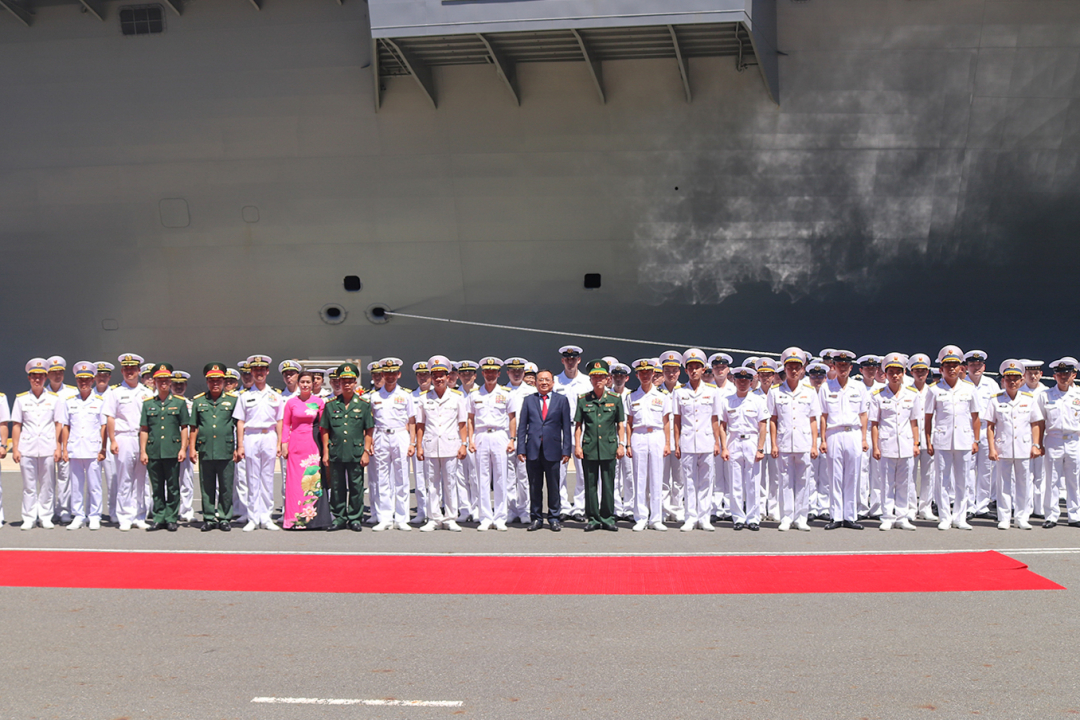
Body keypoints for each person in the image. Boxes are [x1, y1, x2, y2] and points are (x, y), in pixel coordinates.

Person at [925, 345, 981, 531]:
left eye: (955, 365)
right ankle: (944, 517)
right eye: (947, 365)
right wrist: (928, 440)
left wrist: (976, 440)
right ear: (941, 369)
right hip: (942, 439)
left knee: (963, 479)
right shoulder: (933, 390)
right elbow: (928, 417)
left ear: (961, 368)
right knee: (942, 479)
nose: (951, 369)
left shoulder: (969, 388)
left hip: (964, 440)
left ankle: (960, 517)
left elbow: (975, 416)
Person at [768, 347, 821, 532]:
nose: (793, 370)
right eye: (790, 367)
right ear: (785, 368)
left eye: (797, 367)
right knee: (784, 481)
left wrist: (815, 445)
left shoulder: (810, 391)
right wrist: (773, 444)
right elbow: (773, 420)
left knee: (804, 481)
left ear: (802, 369)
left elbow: (813, 420)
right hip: (784, 443)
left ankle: (801, 517)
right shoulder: (775, 392)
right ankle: (786, 517)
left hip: (804, 443)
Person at [986, 360, 1043, 530]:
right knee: (1003, 483)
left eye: (1016, 378)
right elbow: (990, 426)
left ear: (1022, 380)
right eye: (1008, 378)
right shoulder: (995, 400)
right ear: (1003, 380)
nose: (1012, 381)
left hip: (1024, 447)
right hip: (1003, 447)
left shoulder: (1029, 399)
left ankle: (1021, 517)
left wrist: (1036, 445)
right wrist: (991, 448)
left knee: (1024, 483)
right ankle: (1004, 517)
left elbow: (1035, 424)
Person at [818, 350, 869, 530]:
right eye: (839, 365)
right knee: (834, 475)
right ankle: (836, 516)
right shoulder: (826, 387)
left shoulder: (859, 387)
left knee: (852, 475)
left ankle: (850, 515)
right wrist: (823, 440)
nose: (842, 369)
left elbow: (863, 414)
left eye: (846, 366)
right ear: (834, 366)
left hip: (853, 432)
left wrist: (863, 438)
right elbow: (823, 415)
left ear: (851, 367)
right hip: (834, 433)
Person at [868, 353, 920, 531]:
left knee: (905, 482)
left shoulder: (912, 394)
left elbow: (914, 422)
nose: (895, 375)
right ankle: (887, 516)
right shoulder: (878, 395)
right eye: (891, 372)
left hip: (905, 444)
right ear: (886, 373)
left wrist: (916, 444)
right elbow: (874, 423)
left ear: (903, 373)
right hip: (886, 444)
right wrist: (875, 446)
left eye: (898, 372)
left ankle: (902, 516)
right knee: (886, 482)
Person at [320, 363, 374, 531]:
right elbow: (325, 430)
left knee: (356, 486)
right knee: (337, 486)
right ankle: (339, 517)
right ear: (339, 383)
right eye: (343, 381)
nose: (347, 384)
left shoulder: (364, 405)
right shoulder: (331, 405)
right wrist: (326, 452)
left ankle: (355, 518)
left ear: (355, 382)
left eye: (350, 381)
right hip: (336, 451)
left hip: (356, 452)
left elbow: (369, 429)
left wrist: (366, 451)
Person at [103, 353, 154, 531]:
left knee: (142, 478)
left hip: (142, 437)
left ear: (139, 371)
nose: (129, 372)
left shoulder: (147, 393)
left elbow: (151, 419)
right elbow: (110, 417)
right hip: (123, 437)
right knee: (124, 478)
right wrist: (112, 440)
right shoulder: (115, 392)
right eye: (126, 369)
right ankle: (124, 516)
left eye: (132, 369)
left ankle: (140, 515)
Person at [232, 354, 284, 532]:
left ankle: (266, 517)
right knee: (252, 478)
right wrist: (240, 445)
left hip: (269, 436)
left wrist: (279, 443)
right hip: (251, 436)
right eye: (256, 370)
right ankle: (253, 517)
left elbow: (279, 421)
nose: (259, 373)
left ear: (267, 371)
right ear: (252, 372)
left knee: (268, 478)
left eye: (262, 370)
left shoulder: (275, 395)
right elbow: (240, 421)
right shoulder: (245, 395)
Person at [415, 355, 466, 532]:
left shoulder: (457, 397)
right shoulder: (423, 398)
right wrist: (418, 446)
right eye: (435, 376)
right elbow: (420, 425)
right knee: (432, 483)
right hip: (430, 445)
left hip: (451, 445)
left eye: (442, 375)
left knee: (450, 482)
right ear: (431, 377)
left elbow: (462, 423)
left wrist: (463, 444)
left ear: (448, 377)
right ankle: (434, 518)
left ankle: (451, 517)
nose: (438, 379)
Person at [517, 368, 572, 531]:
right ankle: (536, 518)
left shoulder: (561, 400)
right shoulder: (528, 400)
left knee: (554, 486)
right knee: (534, 486)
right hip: (533, 448)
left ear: (553, 383)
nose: (544, 383)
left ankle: (554, 517)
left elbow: (566, 427)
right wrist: (521, 448)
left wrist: (566, 450)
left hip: (553, 449)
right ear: (535, 383)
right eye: (540, 380)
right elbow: (522, 426)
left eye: (547, 380)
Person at [11, 358, 64, 530]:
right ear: (29, 378)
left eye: (41, 376)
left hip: (48, 447)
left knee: (47, 484)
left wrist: (58, 447)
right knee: (29, 485)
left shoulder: (55, 399)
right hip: (27, 448)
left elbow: (58, 424)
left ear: (46, 377)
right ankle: (29, 517)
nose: (37, 380)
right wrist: (16, 449)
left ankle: (46, 516)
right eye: (34, 376)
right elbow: (17, 425)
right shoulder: (20, 400)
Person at [574, 359, 626, 531]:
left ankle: (608, 518)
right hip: (589, 447)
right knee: (590, 484)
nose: (598, 380)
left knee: (609, 484)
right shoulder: (583, 400)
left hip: (609, 447)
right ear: (590, 379)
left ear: (607, 379)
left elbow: (620, 425)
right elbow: (579, 426)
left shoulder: (615, 399)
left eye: (601, 377)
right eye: (594, 377)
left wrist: (621, 445)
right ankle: (593, 518)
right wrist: (577, 446)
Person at [467, 357, 517, 531]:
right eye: (487, 371)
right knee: (482, 477)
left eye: (493, 371)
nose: (490, 374)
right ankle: (485, 517)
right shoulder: (474, 395)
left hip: (499, 435)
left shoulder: (505, 393)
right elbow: (470, 419)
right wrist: (470, 440)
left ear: (499, 373)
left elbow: (512, 418)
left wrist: (512, 439)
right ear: (482, 373)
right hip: (481, 435)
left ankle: (501, 516)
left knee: (501, 476)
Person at [139, 363, 190, 532]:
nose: (163, 383)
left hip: (172, 450)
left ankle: (171, 517)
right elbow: (144, 429)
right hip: (154, 451)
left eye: (166, 380)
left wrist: (183, 448)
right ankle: (159, 517)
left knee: (173, 486)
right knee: (157, 486)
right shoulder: (148, 404)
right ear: (154, 382)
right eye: (159, 380)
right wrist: (143, 451)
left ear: (170, 382)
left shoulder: (179, 403)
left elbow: (184, 427)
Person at [188, 363, 238, 531]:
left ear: (224, 381)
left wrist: (239, 447)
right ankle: (209, 518)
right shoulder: (199, 401)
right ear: (207, 381)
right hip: (205, 449)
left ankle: (224, 517)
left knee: (226, 486)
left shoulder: (232, 400)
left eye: (218, 380)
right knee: (207, 486)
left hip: (226, 449)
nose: (215, 383)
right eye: (211, 380)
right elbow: (193, 427)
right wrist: (191, 448)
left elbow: (238, 426)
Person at [368, 357, 415, 531]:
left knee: (402, 476)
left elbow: (411, 420)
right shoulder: (374, 396)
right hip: (381, 435)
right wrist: (370, 441)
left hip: (400, 435)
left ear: (399, 374)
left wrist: (412, 443)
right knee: (382, 477)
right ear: (382, 375)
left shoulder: (405, 395)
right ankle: (385, 517)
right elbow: (370, 421)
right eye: (387, 373)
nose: (390, 376)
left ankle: (402, 518)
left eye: (393, 373)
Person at [59, 362, 107, 530]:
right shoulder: (69, 402)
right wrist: (65, 449)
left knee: (95, 485)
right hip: (75, 448)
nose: (84, 383)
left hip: (93, 449)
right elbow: (66, 426)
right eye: (80, 380)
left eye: (87, 379)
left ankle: (94, 516)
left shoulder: (100, 401)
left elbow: (103, 427)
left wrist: (102, 449)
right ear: (77, 381)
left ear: (93, 380)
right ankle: (78, 515)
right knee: (76, 485)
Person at [625, 358, 670, 531]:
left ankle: (656, 518)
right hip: (639, 436)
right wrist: (628, 444)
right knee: (639, 477)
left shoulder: (661, 396)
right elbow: (628, 422)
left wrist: (667, 443)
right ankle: (641, 517)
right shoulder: (632, 396)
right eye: (642, 373)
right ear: (637, 375)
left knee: (657, 478)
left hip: (657, 435)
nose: (645, 375)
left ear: (653, 374)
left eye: (648, 372)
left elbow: (666, 422)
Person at [282, 370, 330, 529]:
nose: (305, 385)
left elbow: (324, 427)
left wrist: (325, 448)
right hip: (295, 444)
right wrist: (284, 443)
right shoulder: (291, 402)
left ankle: (313, 520)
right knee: (294, 483)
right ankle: (294, 520)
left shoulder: (319, 402)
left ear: (313, 384)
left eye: (308, 382)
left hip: (312, 444)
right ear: (298, 383)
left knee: (312, 481)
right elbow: (286, 424)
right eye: (302, 382)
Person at [721, 365, 767, 530]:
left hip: (752, 441)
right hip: (733, 441)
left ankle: (753, 518)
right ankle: (738, 517)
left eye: (746, 380)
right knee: (735, 482)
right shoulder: (727, 400)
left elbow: (763, 426)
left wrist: (760, 448)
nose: (742, 383)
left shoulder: (758, 400)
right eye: (739, 380)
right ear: (734, 380)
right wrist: (724, 447)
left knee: (753, 482)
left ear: (751, 381)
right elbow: (722, 425)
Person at [1038, 357, 1080, 529]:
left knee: (1075, 480)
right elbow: (1040, 422)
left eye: (1067, 373)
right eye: (1059, 373)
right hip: (1053, 439)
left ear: (1074, 375)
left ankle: (1075, 515)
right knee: (1052, 479)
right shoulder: (1046, 395)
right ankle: (1051, 515)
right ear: (1054, 376)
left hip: (1074, 440)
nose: (1063, 376)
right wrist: (1038, 444)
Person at [555, 345, 591, 520]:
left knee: (582, 471)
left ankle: (579, 507)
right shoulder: (555, 382)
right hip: (560, 429)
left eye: (573, 359)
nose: (570, 362)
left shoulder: (587, 382)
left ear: (579, 360)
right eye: (567, 359)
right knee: (560, 471)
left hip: (581, 428)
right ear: (562, 360)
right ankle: (563, 506)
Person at [46, 356, 78, 524]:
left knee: (65, 476)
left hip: (67, 440)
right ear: (48, 374)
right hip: (47, 441)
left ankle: (65, 509)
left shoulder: (72, 392)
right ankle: (49, 510)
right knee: (48, 478)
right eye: (53, 372)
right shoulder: (42, 393)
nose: (57, 375)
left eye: (60, 372)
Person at [657, 350, 685, 522]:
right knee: (663, 479)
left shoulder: (684, 391)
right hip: (662, 441)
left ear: (679, 372)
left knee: (680, 479)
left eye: (674, 370)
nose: (671, 374)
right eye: (667, 370)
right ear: (662, 372)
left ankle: (678, 510)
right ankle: (664, 510)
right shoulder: (655, 392)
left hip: (681, 440)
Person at [171, 370, 197, 523]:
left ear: (186, 385)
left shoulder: (191, 404)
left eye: (181, 384)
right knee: (170, 480)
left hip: (185, 447)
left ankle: (186, 511)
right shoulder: (165, 403)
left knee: (186, 480)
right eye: (175, 384)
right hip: (169, 446)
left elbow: (193, 427)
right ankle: (171, 510)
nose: (178, 387)